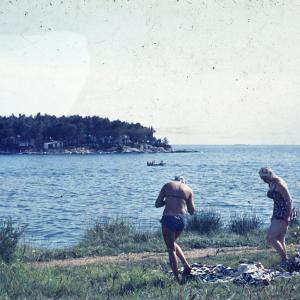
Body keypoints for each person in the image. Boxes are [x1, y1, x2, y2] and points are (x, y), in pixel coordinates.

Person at [155, 175, 195, 283]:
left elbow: (157, 204)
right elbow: (191, 211)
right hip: (182, 220)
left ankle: (178, 278)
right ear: (184, 182)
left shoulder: (167, 185)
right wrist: (183, 201)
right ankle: (186, 266)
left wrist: (167, 201)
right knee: (172, 243)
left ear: (174, 180)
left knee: (170, 249)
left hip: (169, 218)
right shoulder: (189, 189)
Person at [259, 167, 293, 267]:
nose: (263, 180)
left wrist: (287, 216)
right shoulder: (271, 183)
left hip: (283, 212)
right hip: (277, 211)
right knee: (280, 238)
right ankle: (285, 261)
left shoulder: (279, 184)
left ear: (270, 175)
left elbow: (289, 200)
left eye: (265, 178)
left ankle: (284, 259)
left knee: (271, 237)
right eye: (262, 178)